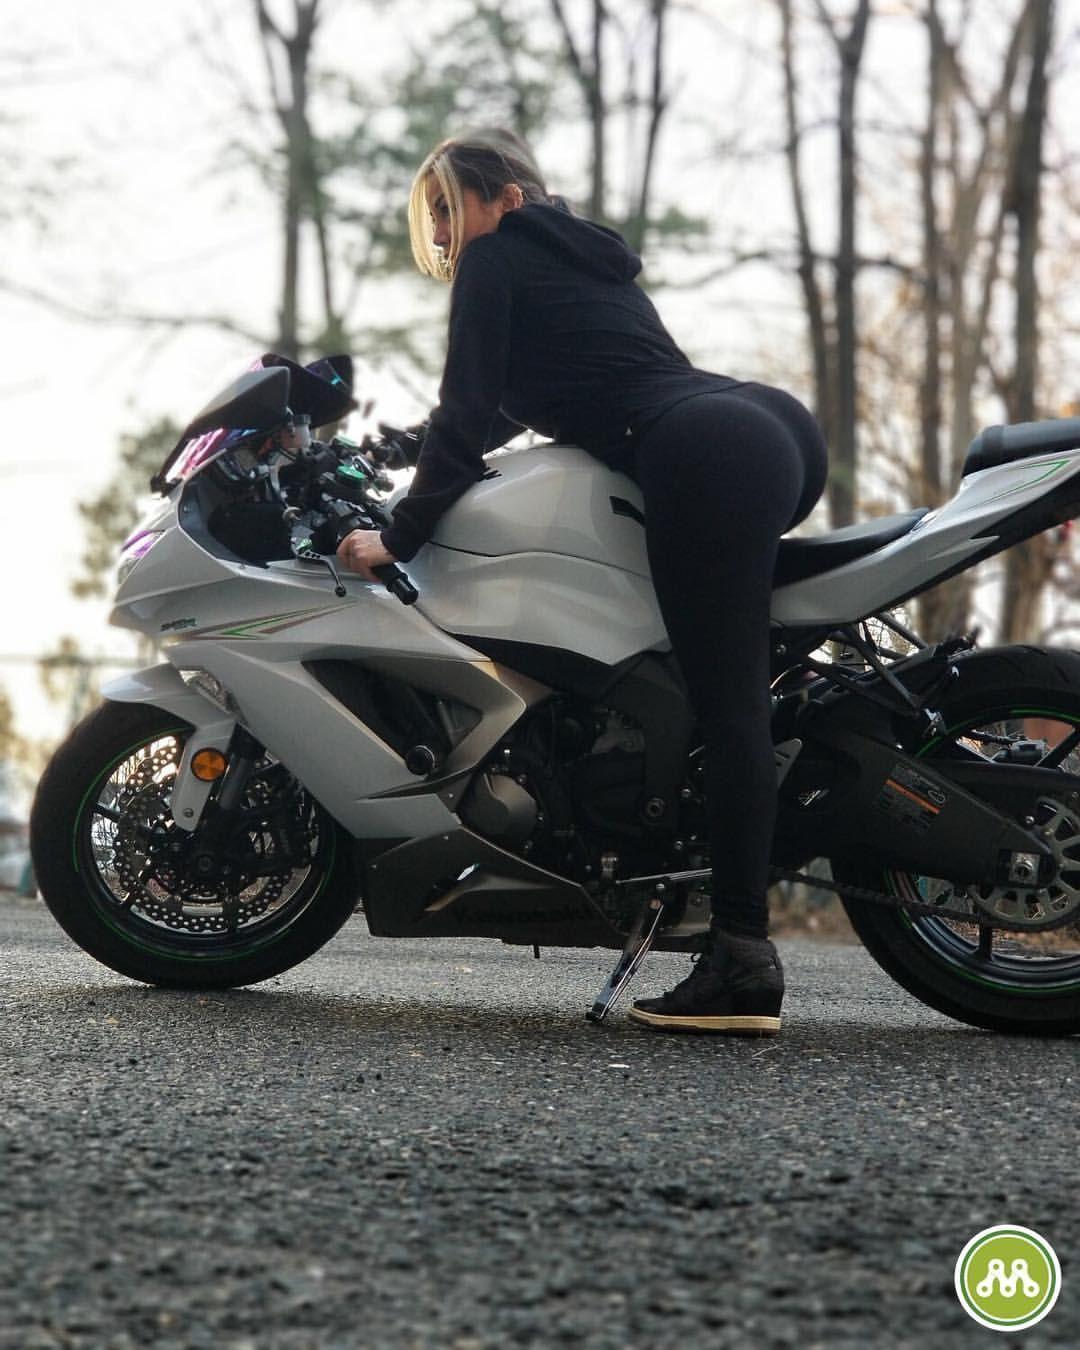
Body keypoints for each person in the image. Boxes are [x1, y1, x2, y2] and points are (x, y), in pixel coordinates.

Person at [337, 128, 827, 1034]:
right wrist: (403, 449)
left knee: (731, 707)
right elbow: (521, 399)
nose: (441, 234)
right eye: (431, 217)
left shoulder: (497, 259)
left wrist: (396, 537)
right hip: (761, 426)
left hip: (703, 449)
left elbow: (468, 407)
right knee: (722, 690)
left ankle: (743, 956)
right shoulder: (583, 258)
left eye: (448, 208)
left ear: (507, 198)